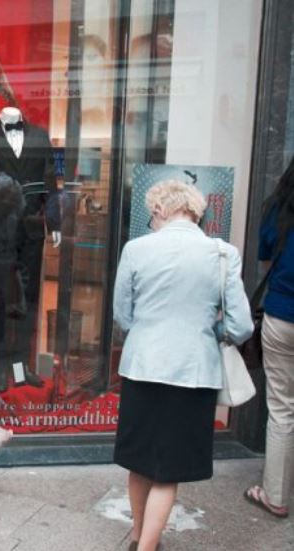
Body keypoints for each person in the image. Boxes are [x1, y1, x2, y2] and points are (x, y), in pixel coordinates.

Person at [112, 180, 252, 551]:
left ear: (159, 210)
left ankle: (141, 537)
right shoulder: (222, 254)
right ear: (194, 211)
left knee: (139, 461)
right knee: (168, 470)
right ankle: (146, 548)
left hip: (142, 366)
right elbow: (241, 326)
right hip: (193, 372)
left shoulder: (136, 249)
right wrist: (211, 329)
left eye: (151, 217)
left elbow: (123, 316)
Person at [0, 106, 59, 392]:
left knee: (31, 295)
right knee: (0, 297)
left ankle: (21, 365)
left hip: (32, 225)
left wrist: (54, 221)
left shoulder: (39, 135)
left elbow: (50, 181)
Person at [244, 155, 294, 519]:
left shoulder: (279, 208)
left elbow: (264, 257)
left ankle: (275, 494)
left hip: (284, 315)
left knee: (282, 407)